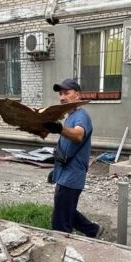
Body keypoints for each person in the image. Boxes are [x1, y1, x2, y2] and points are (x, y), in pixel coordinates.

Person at [44, 79, 102, 238]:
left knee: (60, 221)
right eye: (60, 94)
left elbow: (78, 135)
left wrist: (59, 128)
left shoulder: (81, 115)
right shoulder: (69, 116)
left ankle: (61, 248)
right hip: (64, 173)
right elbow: (66, 148)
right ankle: (93, 230)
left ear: (77, 95)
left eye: (66, 93)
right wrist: (55, 171)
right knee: (65, 209)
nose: (62, 97)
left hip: (72, 175)